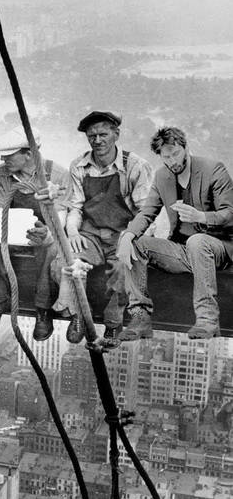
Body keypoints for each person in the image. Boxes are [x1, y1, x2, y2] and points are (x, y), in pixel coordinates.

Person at [118, 127, 233, 341]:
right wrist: (127, 236)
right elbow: (147, 212)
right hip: (183, 251)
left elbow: (230, 213)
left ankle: (207, 321)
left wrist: (201, 216)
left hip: (220, 249)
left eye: (175, 154)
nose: (172, 161)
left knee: (198, 241)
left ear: (185, 147)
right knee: (135, 243)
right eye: (166, 157)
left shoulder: (213, 169)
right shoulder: (162, 176)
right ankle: (140, 318)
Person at [51, 111, 152, 348]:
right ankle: (77, 315)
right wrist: (73, 232)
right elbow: (75, 206)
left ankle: (113, 321)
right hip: (91, 233)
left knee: (124, 269)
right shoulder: (79, 165)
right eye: (92, 136)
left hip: (124, 234)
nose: (97, 141)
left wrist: (131, 239)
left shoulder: (135, 166)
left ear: (116, 134)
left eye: (103, 134)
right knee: (65, 262)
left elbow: (145, 212)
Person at [0, 125, 68, 339]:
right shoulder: (2, 173)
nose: (3, 159)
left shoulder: (57, 174)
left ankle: (43, 309)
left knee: (50, 248)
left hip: (45, 231)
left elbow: (62, 214)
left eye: (9, 155)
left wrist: (46, 232)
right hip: (13, 228)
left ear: (29, 154)